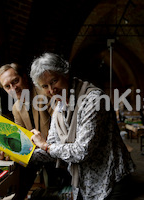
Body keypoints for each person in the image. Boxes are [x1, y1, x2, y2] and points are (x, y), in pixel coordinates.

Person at [29, 52, 135, 200]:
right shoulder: (59, 108)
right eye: (45, 86)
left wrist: (45, 146)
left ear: (65, 73)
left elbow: (82, 151)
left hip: (111, 179)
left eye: (54, 81)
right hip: (86, 183)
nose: (51, 90)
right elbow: (53, 148)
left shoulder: (94, 100)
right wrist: (16, 154)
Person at [0, 63, 54, 200]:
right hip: (38, 156)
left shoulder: (45, 95)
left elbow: (59, 136)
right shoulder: (16, 108)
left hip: (57, 153)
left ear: (24, 77)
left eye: (15, 81)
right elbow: (23, 143)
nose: (14, 88)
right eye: (8, 86)